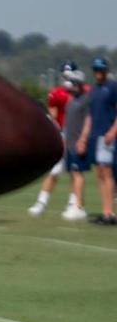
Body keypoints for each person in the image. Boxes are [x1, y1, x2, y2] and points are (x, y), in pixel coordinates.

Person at [29, 62, 79, 217]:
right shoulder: (57, 93)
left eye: (70, 75)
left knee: (75, 172)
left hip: (78, 135)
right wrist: (58, 134)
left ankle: (74, 204)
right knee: (54, 171)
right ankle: (41, 203)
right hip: (63, 134)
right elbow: (54, 118)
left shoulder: (83, 93)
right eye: (65, 75)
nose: (67, 78)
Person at [76, 57, 117, 225]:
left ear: (106, 70)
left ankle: (110, 214)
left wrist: (113, 131)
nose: (98, 73)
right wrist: (83, 138)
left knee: (106, 171)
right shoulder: (93, 91)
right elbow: (90, 117)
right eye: (95, 69)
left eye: (101, 69)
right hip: (95, 135)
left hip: (107, 136)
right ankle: (105, 211)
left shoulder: (113, 87)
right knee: (100, 172)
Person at [59, 71, 92, 221]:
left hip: (79, 142)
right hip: (70, 142)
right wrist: (64, 140)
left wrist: (83, 140)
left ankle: (79, 207)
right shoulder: (71, 100)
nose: (70, 85)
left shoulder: (86, 100)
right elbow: (67, 123)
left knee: (77, 173)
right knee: (72, 173)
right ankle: (76, 203)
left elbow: (88, 121)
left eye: (73, 82)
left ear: (78, 83)